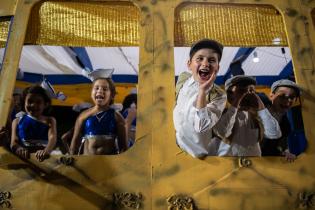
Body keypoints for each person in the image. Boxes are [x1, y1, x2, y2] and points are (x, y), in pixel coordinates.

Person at [173, 39, 227, 158]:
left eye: (212, 60)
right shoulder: (183, 79)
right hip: (173, 151)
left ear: (217, 67)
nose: (205, 63)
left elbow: (201, 126)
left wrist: (202, 90)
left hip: (197, 157)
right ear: (189, 64)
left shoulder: (218, 95)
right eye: (200, 58)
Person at [214, 75, 282, 156]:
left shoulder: (257, 116)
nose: (247, 94)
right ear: (229, 95)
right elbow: (222, 132)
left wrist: (260, 106)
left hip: (253, 164)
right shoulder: (221, 113)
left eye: (251, 90)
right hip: (228, 164)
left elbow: (274, 134)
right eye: (241, 91)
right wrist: (236, 102)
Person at [69, 70, 127, 155]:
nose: (100, 91)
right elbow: (75, 143)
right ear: (91, 92)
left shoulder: (117, 117)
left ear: (112, 95)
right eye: (96, 88)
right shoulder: (83, 116)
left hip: (109, 165)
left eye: (105, 89)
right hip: (87, 163)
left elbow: (123, 147)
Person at [261, 79, 305, 161]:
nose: (287, 101)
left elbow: (270, 149)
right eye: (282, 96)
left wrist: (283, 154)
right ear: (271, 95)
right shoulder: (260, 103)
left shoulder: (285, 127)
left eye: (292, 97)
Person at [10, 85, 57, 161]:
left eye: (38, 102)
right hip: (24, 161)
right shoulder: (17, 121)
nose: (33, 105)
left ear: (45, 104)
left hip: (45, 160)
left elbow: (52, 138)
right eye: (30, 101)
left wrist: (46, 151)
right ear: (24, 102)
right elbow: (14, 142)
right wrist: (19, 148)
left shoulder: (50, 120)